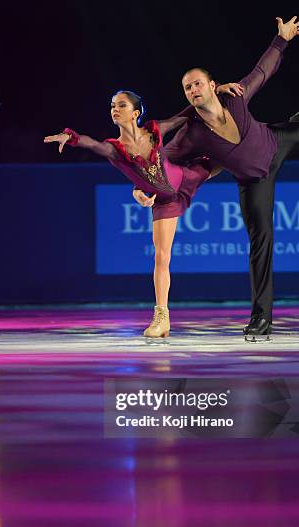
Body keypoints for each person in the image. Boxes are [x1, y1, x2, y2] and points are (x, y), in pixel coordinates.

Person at [133, 16, 299, 342]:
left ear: (212, 85)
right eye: (187, 87)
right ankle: (262, 320)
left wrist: (282, 38)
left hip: (277, 141)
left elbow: (263, 71)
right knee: (261, 245)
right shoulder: (191, 134)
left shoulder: (236, 96)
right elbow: (161, 161)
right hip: (253, 181)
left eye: (197, 83)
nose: (192, 90)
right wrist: (143, 188)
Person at [43, 83, 242, 338]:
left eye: (122, 105)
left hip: (185, 176)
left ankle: (265, 150)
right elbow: (92, 144)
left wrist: (216, 91)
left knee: (227, 151)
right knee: (162, 257)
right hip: (165, 201)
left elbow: (184, 115)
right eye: (113, 106)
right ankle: (162, 317)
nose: (115, 110)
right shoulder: (114, 148)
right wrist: (71, 138)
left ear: (136, 113)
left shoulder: (155, 130)